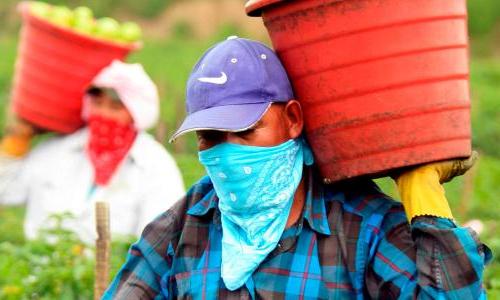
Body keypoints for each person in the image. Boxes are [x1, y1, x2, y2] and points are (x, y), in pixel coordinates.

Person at [104, 38, 491, 299]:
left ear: (292, 119)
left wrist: (421, 188)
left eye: (244, 131)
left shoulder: (362, 229)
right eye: (210, 138)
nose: (227, 153)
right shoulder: (187, 223)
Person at [0, 60, 185, 243]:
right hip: (41, 270)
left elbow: (159, 243)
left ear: (137, 113)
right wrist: (17, 141)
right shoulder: (55, 151)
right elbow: (5, 192)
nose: (103, 114)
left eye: (115, 108)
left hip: (114, 272)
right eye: (97, 103)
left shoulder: (156, 166)